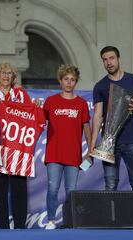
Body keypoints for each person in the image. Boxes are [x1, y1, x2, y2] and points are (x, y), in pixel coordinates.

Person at [0, 62, 34, 229]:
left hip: (18, 149)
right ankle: (2, 228)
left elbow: (30, 117)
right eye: (3, 73)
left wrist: (36, 107)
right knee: (0, 191)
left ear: (13, 77)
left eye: (9, 73)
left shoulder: (21, 94)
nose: (5, 76)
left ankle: (20, 227)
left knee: (19, 190)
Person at [91, 46, 133, 191]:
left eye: (111, 58)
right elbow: (97, 115)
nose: (109, 62)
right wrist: (92, 145)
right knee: (110, 186)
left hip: (131, 141)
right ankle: (111, 215)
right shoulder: (100, 86)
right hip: (109, 143)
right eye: (105, 60)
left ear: (118, 59)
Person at [43, 64, 92, 230]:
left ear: (76, 82)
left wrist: (90, 152)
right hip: (54, 153)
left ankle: (70, 220)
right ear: (60, 80)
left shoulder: (81, 104)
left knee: (71, 190)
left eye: (72, 80)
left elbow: (87, 128)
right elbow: (37, 122)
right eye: (66, 79)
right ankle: (51, 220)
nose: (69, 83)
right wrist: (35, 108)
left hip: (73, 154)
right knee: (52, 188)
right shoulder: (50, 102)